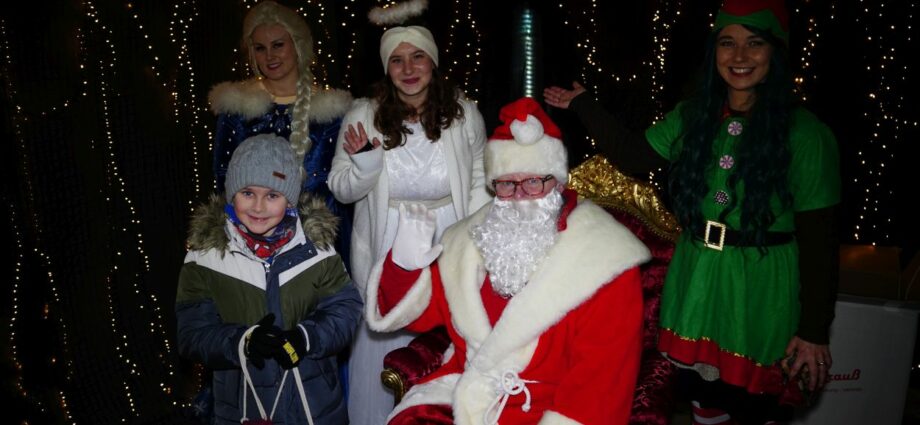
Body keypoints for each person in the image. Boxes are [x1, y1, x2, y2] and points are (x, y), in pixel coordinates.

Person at [544, 0, 841, 423]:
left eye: (754, 44)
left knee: (755, 406)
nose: (739, 57)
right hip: (698, 278)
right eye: (727, 43)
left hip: (760, 287)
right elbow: (633, 155)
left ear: (775, 53)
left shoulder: (808, 135)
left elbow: (820, 241)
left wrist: (813, 331)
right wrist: (583, 105)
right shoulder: (693, 116)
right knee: (703, 397)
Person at [364, 97, 649, 424]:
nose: (519, 197)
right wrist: (404, 265)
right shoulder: (468, 240)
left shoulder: (603, 260)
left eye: (533, 182)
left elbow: (598, 390)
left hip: (545, 409)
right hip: (463, 393)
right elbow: (416, 317)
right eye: (507, 184)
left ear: (555, 182)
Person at [327, 25, 490, 425]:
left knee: (446, 335)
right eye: (396, 60)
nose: (408, 68)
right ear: (387, 69)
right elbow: (341, 188)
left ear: (432, 61)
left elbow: (479, 180)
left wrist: (476, 240)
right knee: (388, 336)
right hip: (388, 241)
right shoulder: (363, 114)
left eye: (417, 56)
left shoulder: (463, 112)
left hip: (449, 234)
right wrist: (365, 164)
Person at [176, 134, 362, 424]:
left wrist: (307, 337)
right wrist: (241, 342)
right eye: (247, 193)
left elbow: (346, 311)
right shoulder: (204, 258)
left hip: (314, 407)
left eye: (272, 195)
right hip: (241, 408)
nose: (259, 207)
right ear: (230, 193)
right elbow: (191, 334)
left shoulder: (318, 249)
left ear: (289, 199)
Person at [208, 0, 354, 267]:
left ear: (297, 45)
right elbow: (222, 178)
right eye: (260, 48)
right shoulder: (238, 109)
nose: (270, 56)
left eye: (278, 45)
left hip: (320, 245)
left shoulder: (332, 112)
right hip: (253, 242)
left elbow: (345, 184)